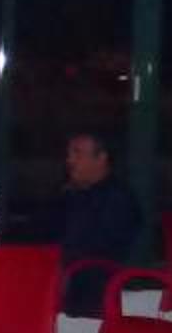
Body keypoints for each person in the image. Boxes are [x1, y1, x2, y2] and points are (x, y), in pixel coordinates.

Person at [53, 130, 143, 314]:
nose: (70, 161)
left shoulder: (117, 200)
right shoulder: (71, 196)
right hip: (67, 277)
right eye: (69, 154)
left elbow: (102, 251)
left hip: (92, 288)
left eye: (77, 153)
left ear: (101, 158)